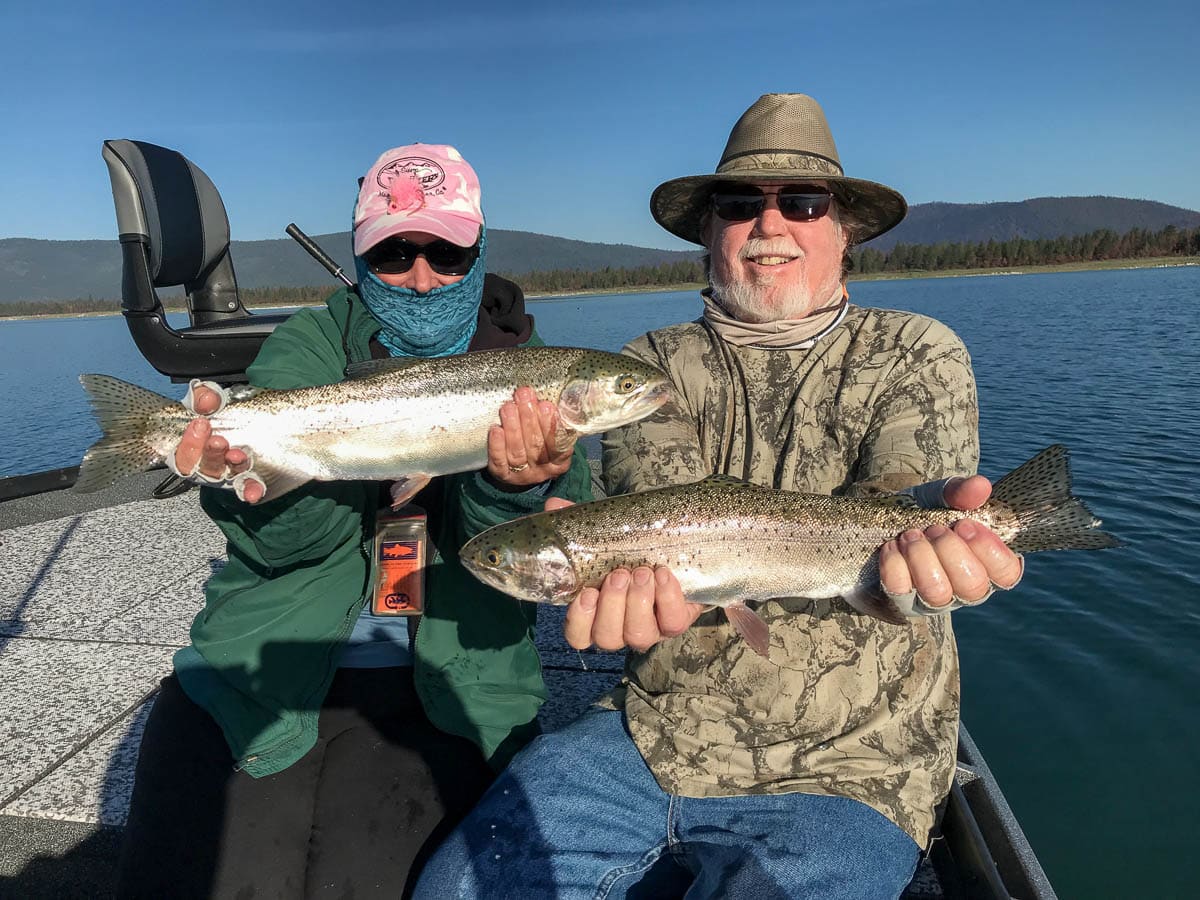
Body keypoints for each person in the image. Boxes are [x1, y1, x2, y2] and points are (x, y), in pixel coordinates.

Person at [415, 95, 1025, 899]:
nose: (771, 226)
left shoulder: (916, 350)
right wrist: (622, 589)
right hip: (654, 736)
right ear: (710, 232)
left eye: (803, 204)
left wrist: (946, 546)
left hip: (855, 763)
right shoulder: (647, 370)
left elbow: (909, 514)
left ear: (846, 232)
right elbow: (669, 538)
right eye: (741, 205)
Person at [115, 143, 593, 898]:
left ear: (479, 250)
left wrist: (513, 492)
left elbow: (541, 563)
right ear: (363, 258)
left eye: (446, 252)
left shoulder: (535, 372)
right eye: (395, 252)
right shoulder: (307, 344)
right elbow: (291, 547)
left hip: (457, 688)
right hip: (272, 669)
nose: (422, 276)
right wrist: (242, 472)